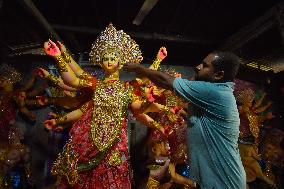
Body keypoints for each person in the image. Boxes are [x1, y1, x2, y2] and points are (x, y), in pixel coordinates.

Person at [42, 23, 169, 189]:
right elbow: (72, 81)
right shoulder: (95, 85)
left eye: (113, 58)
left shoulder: (127, 88)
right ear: (100, 63)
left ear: (120, 62)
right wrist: (58, 56)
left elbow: (138, 105)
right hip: (89, 139)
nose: (109, 61)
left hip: (116, 142)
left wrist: (149, 97)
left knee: (113, 177)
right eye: (106, 58)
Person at [124, 51, 246, 189]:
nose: (198, 66)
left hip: (224, 181)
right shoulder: (217, 93)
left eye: (205, 66)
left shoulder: (213, 92)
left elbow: (166, 81)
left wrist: (139, 69)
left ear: (218, 75)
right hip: (214, 178)